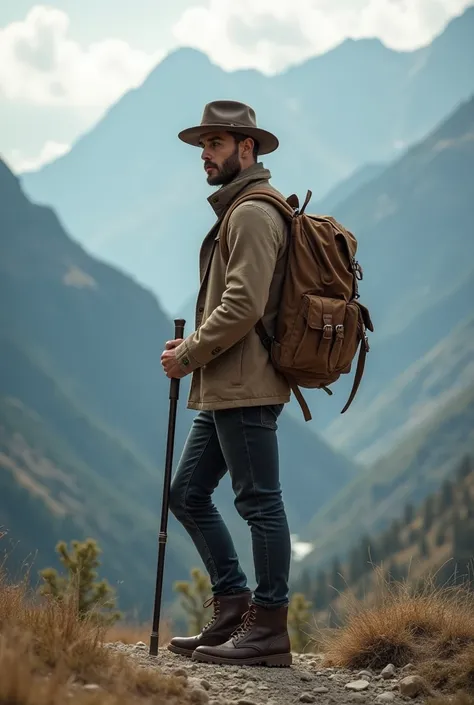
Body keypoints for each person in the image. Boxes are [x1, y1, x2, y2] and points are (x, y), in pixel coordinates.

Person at [160, 100, 292, 667]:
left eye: (215, 145)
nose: (205, 157)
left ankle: (269, 627)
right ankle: (234, 600)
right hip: (226, 384)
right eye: (203, 146)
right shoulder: (238, 209)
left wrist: (188, 352)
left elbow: (242, 305)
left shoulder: (252, 214)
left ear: (248, 148)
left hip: (246, 385)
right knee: (186, 494)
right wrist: (194, 357)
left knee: (259, 504)